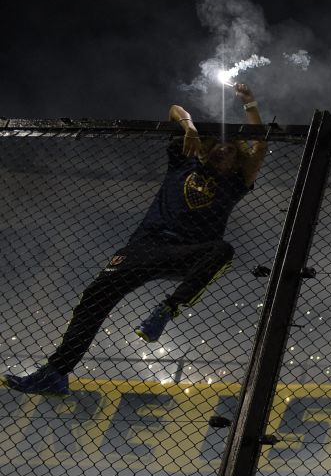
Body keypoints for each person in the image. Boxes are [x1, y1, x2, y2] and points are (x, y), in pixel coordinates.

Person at [4, 83, 267, 396]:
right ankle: (56, 373)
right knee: (94, 299)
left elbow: (261, 146)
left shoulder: (235, 183)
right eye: (220, 145)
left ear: (237, 159)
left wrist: (250, 104)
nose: (224, 149)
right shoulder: (185, 160)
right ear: (209, 147)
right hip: (145, 246)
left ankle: (166, 310)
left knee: (222, 250)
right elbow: (175, 110)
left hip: (185, 252)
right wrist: (190, 127)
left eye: (232, 149)